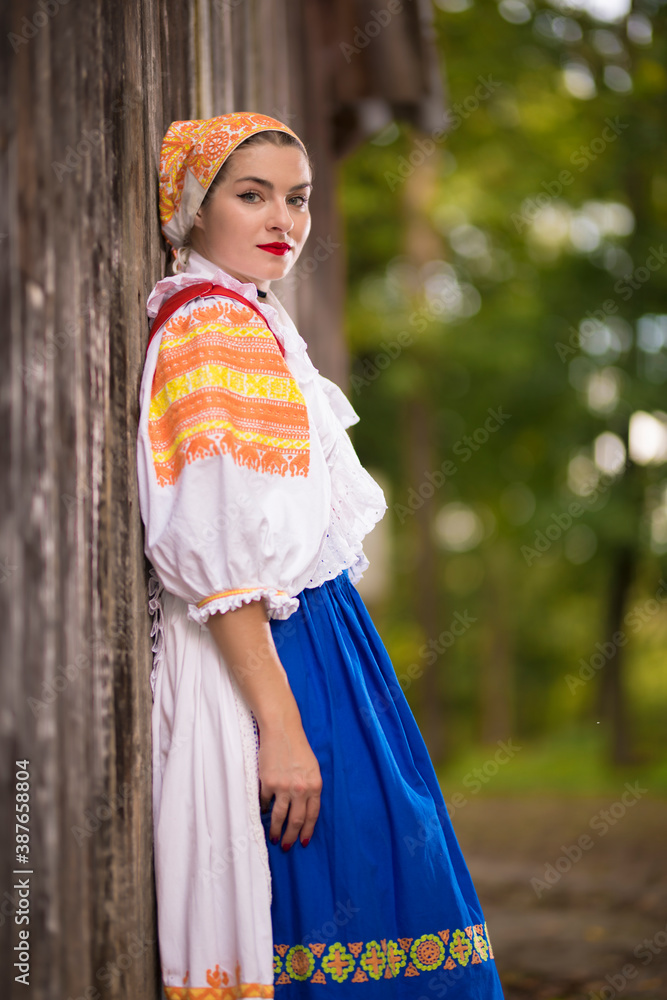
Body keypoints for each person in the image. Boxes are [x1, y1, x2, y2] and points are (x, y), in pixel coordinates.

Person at [138, 111, 505, 999]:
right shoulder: (212, 330)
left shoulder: (250, 319)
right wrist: (285, 729)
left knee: (386, 899)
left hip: (321, 641)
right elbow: (221, 556)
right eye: (251, 195)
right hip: (275, 658)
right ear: (193, 205)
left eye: (297, 200)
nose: (283, 220)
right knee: (354, 900)